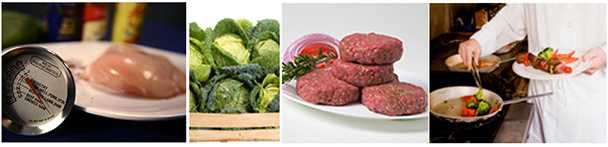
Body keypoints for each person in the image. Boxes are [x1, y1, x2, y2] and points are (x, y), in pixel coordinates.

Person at [458, 4, 606, 143]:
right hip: (542, 101)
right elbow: (511, 19)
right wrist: (479, 41)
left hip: (590, 99)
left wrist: (605, 53)